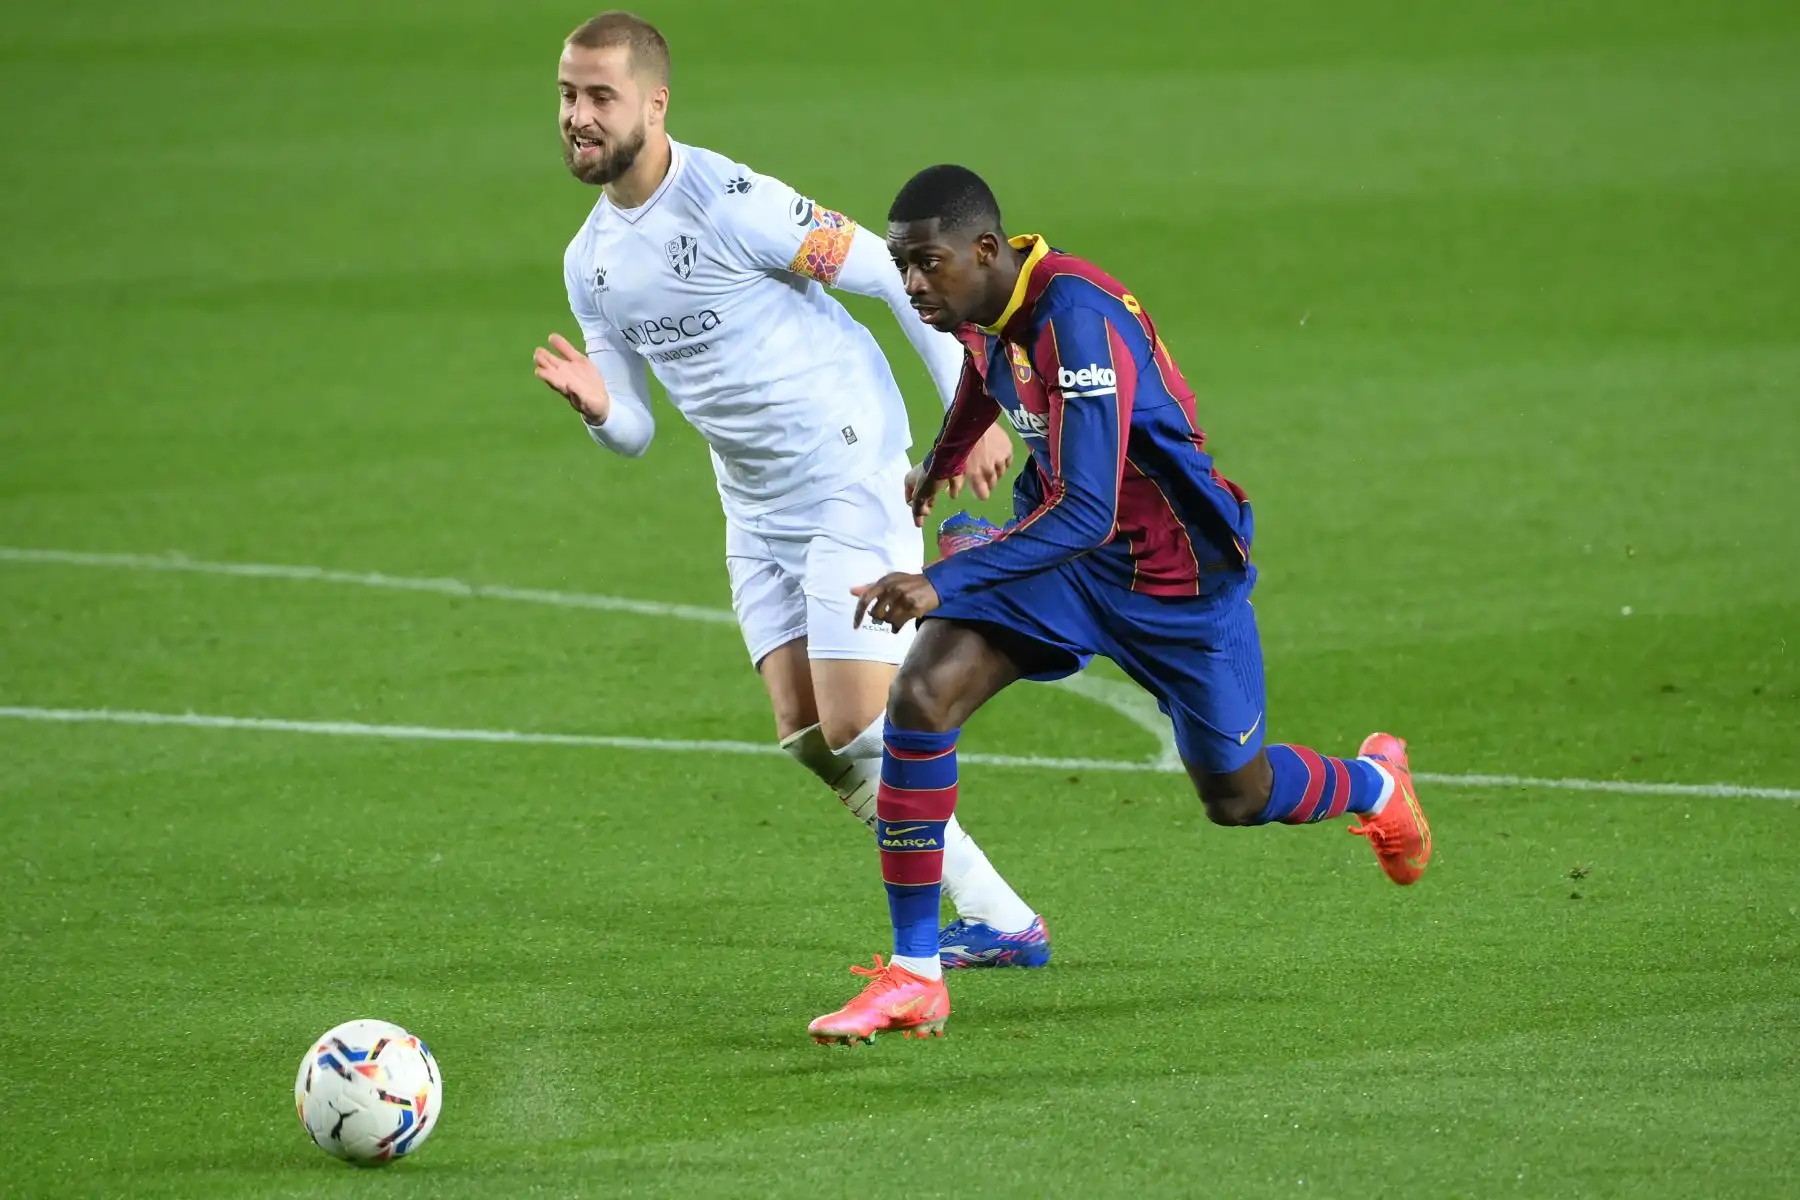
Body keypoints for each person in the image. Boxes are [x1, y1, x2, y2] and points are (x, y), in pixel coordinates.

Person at [807, 164, 1432, 1044]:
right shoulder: (982, 305)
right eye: (902, 264)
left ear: (984, 249)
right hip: (1063, 567)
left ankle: (1375, 783)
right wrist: (942, 463)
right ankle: (915, 974)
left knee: (1237, 794)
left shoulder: (1077, 320)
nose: (911, 284)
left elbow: (1090, 510)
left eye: (926, 264)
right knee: (921, 696)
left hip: (1176, 580)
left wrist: (940, 582)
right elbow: (984, 377)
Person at [530, 14, 1050, 966]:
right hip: (753, 502)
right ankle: (1001, 917)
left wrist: (964, 414)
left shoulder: (734, 203)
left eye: (600, 96)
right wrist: (601, 408)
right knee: (810, 733)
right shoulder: (589, 264)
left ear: (655, 103)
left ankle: (988, 618)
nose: (578, 116)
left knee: (857, 720)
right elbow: (636, 433)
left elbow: (893, 275)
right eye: (568, 95)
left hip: (847, 464)